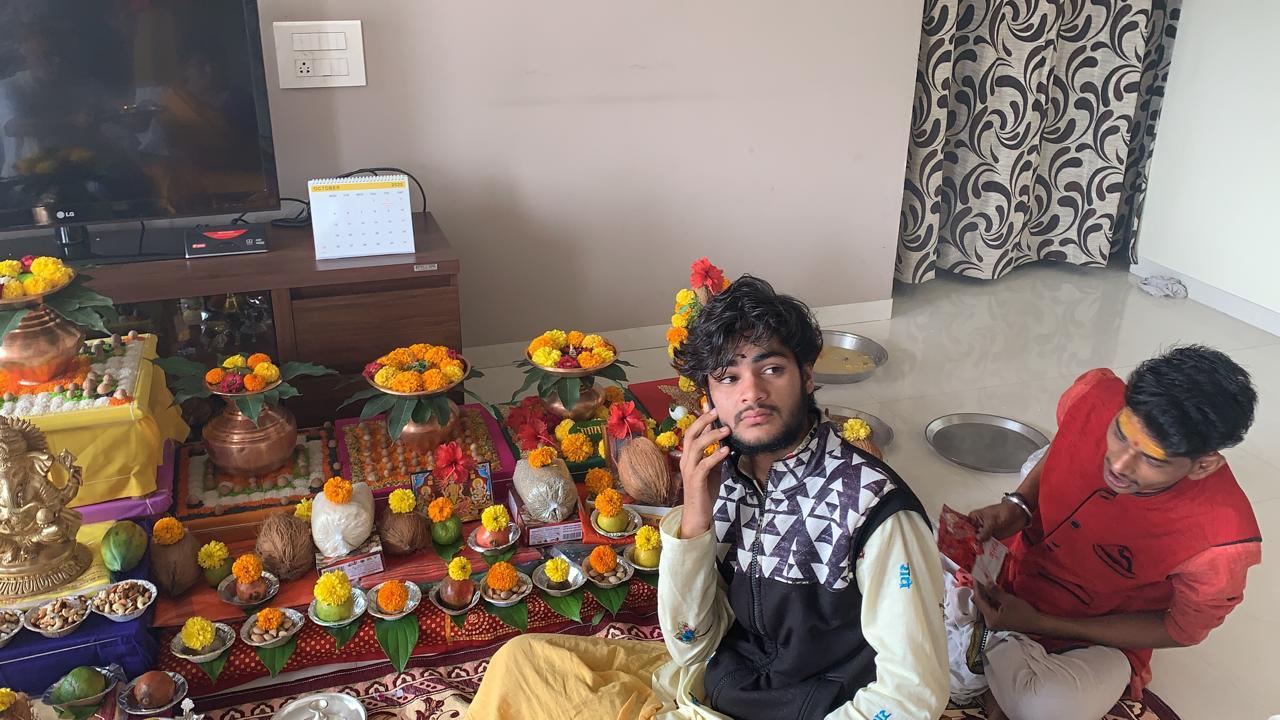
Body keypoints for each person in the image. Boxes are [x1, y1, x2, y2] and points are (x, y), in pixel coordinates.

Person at [468, 276, 948, 719]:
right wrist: (695, 518)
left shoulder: (872, 508)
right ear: (708, 400)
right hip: (718, 685)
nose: (752, 393)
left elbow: (912, 692)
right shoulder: (727, 477)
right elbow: (691, 645)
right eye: (729, 377)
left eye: (772, 368)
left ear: (806, 377)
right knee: (520, 660)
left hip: (808, 708)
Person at [962, 346, 1262, 720]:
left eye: (1151, 459)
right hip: (1011, 575)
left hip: (1088, 638)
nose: (1118, 464)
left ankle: (991, 651)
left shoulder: (1220, 542)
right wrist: (1019, 506)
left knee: (1049, 709)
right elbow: (1063, 446)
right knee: (900, 574)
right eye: (1119, 434)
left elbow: (1179, 630)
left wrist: (1041, 625)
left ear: (1202, 466)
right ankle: (999, 657)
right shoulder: (1096, 394)